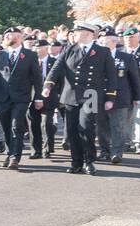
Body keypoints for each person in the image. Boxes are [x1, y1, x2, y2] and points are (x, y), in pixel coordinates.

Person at [41, 22, 116, 175]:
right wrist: (48, 86)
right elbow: (56, 68)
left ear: (88, 33)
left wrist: (110, 97)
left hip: (91, 95)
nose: (74, 34)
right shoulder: (69, 49)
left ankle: (89, 161)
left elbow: (112, 76)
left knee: (86, 128)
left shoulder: (102, 51)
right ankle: (76, 162)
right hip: (71, 94)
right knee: (73, 130)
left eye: (78, 32)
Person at [0, 27, 42, 170]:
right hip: (2, 97)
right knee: (6, 127)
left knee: (16, 126)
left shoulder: (30, 55)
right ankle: (10, 153)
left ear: (20, 37)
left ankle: (15, 157)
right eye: (6, 35)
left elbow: (37, 78)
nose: (8, 37)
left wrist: (38, 97)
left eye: (11, 35)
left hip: (21, 97)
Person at [101, 29, 140, 164]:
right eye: (100, 41)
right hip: (100, 96)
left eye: (105, 41)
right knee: (102, 126)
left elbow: (134, 79)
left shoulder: (126, 58)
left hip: (121, 97)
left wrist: (137, 97)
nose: (102, 44)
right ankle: (104, 151)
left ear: (114, 42)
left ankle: (116, 153)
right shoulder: (95, 57)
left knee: (118, 126)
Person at [28, 38, 59, 159]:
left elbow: (60, 80)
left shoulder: (55, 62)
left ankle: (47, 148)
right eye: (34, 47)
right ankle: (36, 150)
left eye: (39, 47)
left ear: (46, 48)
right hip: (31, 97)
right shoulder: (30, 61)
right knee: (33, 125)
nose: (36, 49)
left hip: (49, 98)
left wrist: (59, 95)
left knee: (46, 123)